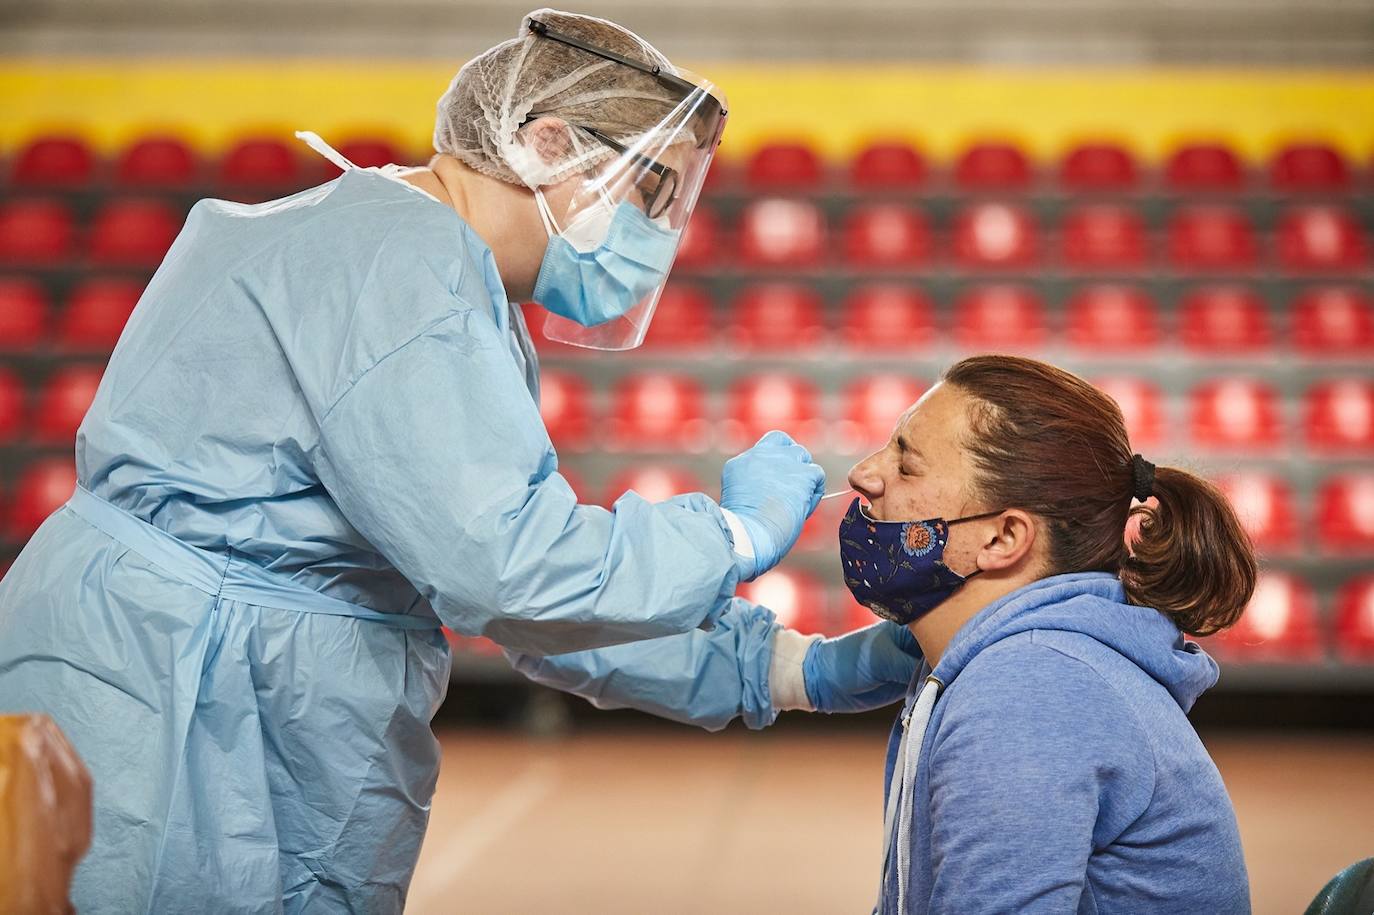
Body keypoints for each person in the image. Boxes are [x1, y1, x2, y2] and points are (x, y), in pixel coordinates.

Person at [0, 10, 917, 912]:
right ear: (547, 142)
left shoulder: (429, 274)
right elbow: (512, 571)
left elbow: (517, 591)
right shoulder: (396, 270)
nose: (665, 231)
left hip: (223, 676)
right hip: (169, 691)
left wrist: (786, 669)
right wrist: (730, 531)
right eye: (650, 194)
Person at [838, 355, 1255, 914]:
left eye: (906, 465)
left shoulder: (1028, 690)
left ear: (1004, 537)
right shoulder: (1019, 664)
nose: (863, 473)